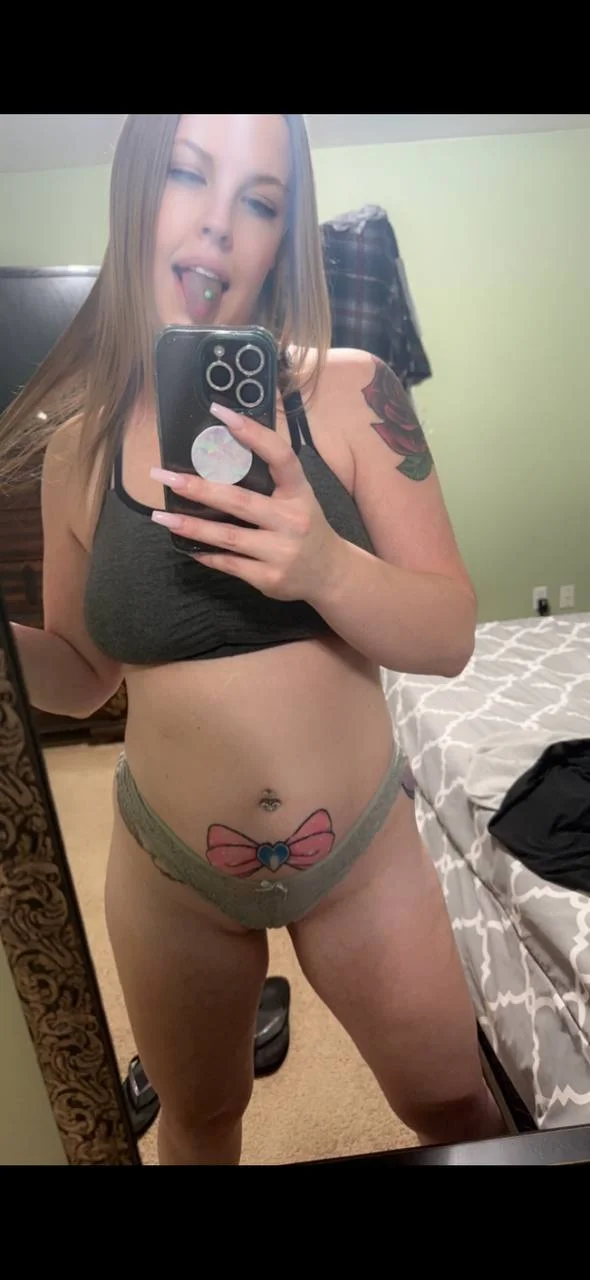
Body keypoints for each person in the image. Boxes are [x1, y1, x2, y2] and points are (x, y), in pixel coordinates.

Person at [0, 114, 503, 1165]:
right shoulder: (78, 450)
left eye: (261, 200)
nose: (221, 224)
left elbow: (450, 631)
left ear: (284, 234)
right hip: (169, 868)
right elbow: (83, 678)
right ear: (137, 191)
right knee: (201, 1118)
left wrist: (323, 565)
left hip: (361, 855)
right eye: (189, 176)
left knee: (454, 1103)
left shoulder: (355, 392)